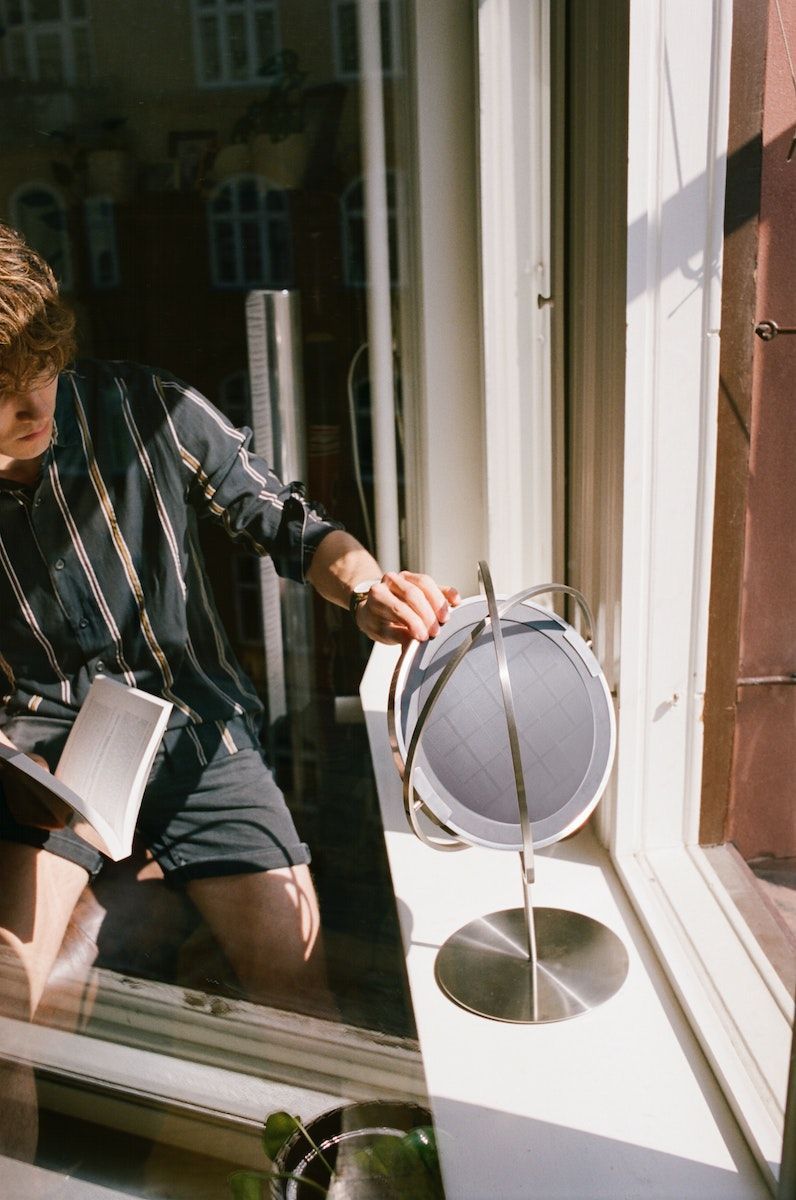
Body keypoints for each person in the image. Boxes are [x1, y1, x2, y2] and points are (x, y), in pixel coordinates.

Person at [0, 220, 459, 1042]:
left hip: (194, 732)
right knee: (7, 990)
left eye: (38, 369)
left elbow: (290, 523)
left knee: (297, 983)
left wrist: (366, 593)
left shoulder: (146, 405)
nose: (31, 404)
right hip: (47, 762)